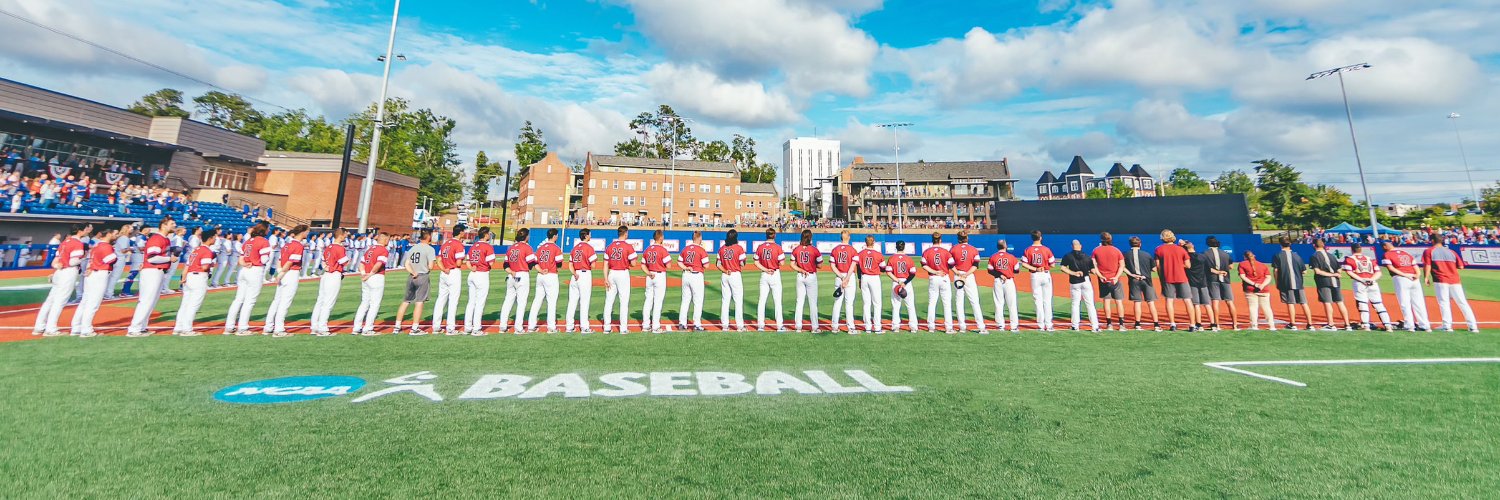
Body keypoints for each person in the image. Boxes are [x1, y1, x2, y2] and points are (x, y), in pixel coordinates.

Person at [33, 223, 89, 336]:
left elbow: (56, 260)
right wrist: (84, 257)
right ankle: (51, 328)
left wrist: (57, 266)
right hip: (69, 271)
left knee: (50, 300)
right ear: (80, 231)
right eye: (85, 229)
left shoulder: (64, 242)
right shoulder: (77, 243)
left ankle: (39, 326)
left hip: (59, 271)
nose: (86, 231)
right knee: (60, 301)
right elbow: (73, 261)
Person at [126, 217, 176, 337]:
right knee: (146, 300)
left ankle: (142, 327)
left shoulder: (165, 239)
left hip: (157, 271)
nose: (174, 225)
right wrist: (169, 258)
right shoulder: (157, 238)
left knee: (151, 301)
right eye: (172, 223)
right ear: (163, 225)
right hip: (152, 271)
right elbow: (152, 257)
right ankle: (134, 329)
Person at [225, 223, 272, 335]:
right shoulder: (264, 241)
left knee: (238, 299)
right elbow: (264, 260)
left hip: (244, 270)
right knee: (250, 300)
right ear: (264, 230)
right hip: (255, 270)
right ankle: (242, 327)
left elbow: (241, 259)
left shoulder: (248, 241)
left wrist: (246, 264)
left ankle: (229, 326)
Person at [1422, 238, 1478, 332]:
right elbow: (1461, 266)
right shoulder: (1451, 251)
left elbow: (1427, 265)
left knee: (1444, 302)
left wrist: (1426, 277)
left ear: (1432, 241)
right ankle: (1473, 326)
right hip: (1455, 280)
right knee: (1462, 302)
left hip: (1440, 279)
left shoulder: (1429, 251)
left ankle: (1447, 326)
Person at [262, 225, 309, 337]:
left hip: (284, 272)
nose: (307, 234)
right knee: (285, 302)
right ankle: (279, 329)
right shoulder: (298, 245)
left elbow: (280, 260)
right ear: (302, 232)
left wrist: (279, 272)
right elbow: (290, 262)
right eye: (306, 232)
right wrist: (281, 274)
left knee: (277, 300)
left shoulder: (287, 244)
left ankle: (268, 327)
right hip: (290, 273)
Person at [72, 226, 118, 337]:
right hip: (99, 274)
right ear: (108, 234)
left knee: (85, 301)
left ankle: (76, 326)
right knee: (93, 303)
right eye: (115, 234)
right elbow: (111, 260)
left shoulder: (97, 245)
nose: (116, 236)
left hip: (92, 273)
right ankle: (86, 330)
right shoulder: (106, 246)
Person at [172, 228, 218, 336]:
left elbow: (187, 266)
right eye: (214, 237)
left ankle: (178, 327)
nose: (216, 239)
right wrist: (211, 264)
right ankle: (187, 329)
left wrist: (183, 278)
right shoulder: (207, 251)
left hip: (189, 277)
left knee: (185, 304)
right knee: (193, 305)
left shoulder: (196, 250)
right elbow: (205, 266)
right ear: (210, 238)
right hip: (198, 278)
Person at [1341, 242, 1394, 331]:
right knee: (1378, 304)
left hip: (1360, 283)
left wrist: (1362, 280)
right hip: (1373, 283)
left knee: (1362, 304)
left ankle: (1366, 325)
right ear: (1361, 249)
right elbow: (1378, 272)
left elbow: (1349, 272)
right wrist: (1372, 279)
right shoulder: (1370, 259)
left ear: (1352, 249)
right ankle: (1388, 325)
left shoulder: (1349, 259)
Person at [1381, 242, 1430, 332]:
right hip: (1414, 278)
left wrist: (1405, 275)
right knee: (1419, 303)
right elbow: (1415, 266)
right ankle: (1425, 325)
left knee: (1405, 303)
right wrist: (1417, 275)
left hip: (1401, 278)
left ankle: (1410, 325)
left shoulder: (1387, 254)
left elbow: (1391, 268)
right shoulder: (1406, 253)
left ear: (1385, 246)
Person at [525, 228, 565, 333]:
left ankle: (531, 326)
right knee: (551, 302)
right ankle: (551, 327)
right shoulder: (556, 248)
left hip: (541, 275)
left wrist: (542, 270)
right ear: (555, 236)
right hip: (551, 275)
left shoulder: (540, 248)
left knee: (537, 300)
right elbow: (559, 263)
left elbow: (534, 262)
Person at [310, 229, 348, 336]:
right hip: (334, 274)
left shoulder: (328, 247)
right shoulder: (340, 248)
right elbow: (344, 262)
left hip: (326, 274)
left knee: (320, 301)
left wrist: (327, 266)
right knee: (328, 302)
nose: (345, 237)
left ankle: (314, 326)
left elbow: (323, 261)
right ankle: (322, 328)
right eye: (344, 235)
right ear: (340, 236)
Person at [352, 232, 391, 336]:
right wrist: (370, 274)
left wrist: (364, 274)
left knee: (364, 303)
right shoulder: (383, 250)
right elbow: (379, 264)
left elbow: (361, 263)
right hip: (376, 277)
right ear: (385, 240)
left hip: (366, 277)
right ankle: (368, 328)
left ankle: (356, 327)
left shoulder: (370, 249)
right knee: (374, 304)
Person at [1154, 230, 1193, 331]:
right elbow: (1188, 265)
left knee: (1169, 300)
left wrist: (1161, 276)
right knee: (1187, 300)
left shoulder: (1159, 249)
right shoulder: (1181, 250)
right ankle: (1192, 325)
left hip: (1167, 277)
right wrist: (1179, 266)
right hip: (1181, 277)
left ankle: (1172, 324)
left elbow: (1158, 266)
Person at [1271, 237, 1313, 330]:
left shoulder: (1277, 255)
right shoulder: (1297, 255)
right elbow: (1304, 271)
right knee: (1304, 303)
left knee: (1290, 303)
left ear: (1280, 244)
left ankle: (1293, 324)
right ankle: (1310, 324)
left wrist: (1277, 282)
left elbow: (1276, 270)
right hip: (1298, 283)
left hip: (1285, 282)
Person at [431, 226, 467, 335]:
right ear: (460, 232)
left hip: (444, 272)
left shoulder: (445, 244)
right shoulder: (458, 244)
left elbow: (439, 260)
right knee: (453, 300)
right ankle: (450, 328)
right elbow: (459, 263)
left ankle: (436, 326)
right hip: (453, 272)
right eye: (463, 232)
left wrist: (443, 269)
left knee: (441, 299)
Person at [1310, 239, 1352, 330]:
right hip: (1336, 281)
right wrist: (1336, 274)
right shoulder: (1331, 255)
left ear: (1314, 245)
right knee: (1340, 302)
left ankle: (1331, 324)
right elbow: (1339, 268)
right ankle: (1347, 324)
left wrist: (1332, 274)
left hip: (1324, 281)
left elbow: (1317, 271)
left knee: (1327, 302)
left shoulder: (1314, 256)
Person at [461, 228, 497, 335]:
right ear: (485, 235)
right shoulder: (487, 246)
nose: (489, 235)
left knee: (471, 301)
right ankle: (476, 328)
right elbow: (491, 263)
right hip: (482, 274)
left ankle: (467, 327)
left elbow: (467, 262)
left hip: (472, 274)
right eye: (489, 234)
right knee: (480, 303)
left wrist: (472, 267)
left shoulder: (473, 246)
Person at [601, 226, 635, 333]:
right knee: (624, 301)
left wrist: (606, 278)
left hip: (612, 273)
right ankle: (623, 328)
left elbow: (605, 264)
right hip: (623, 274)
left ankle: (607, 327)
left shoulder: (610, 246)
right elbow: (633, 263)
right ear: (625, 234)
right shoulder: (628, 246)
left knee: (609, 301)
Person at [1123, 236, 1160, 331]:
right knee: (1151, 302)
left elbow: (1122, 267)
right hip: (1147, 280)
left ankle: (1137, 324)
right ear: (1140, 244)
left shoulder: (1126, 254)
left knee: (1137, 302)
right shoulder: (1147, 255)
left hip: (1134, 280)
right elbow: (1154, 269)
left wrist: (1131, 274)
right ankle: (1156, 325)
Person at [950, 231, 985, 333]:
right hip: (969, 275)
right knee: (974, 301)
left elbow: (950, 264)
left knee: (959, 301)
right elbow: (976, 265)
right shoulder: (973, 249)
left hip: (958, 275)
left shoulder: (953, 249)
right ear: (967, 238)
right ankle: (981, 326)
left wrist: (958, 273)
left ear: (958, 239)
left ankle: (962, 327)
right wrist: (966, 274)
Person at [1021, 231, 1056, 331]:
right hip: (1045, 274)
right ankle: (1049, 325)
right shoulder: (1046, 249)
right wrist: (1044, 266)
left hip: (1035, 275)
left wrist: (1035, 268)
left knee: (1038, 300)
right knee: (1047, 300)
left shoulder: (1028, 249)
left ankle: (1041, 325)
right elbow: (1053, 264)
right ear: (1040, 238)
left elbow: (1024, 264)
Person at [1091, 232, 1126, 331]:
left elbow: (1094, 265)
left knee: (1106, 301)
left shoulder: (1096, 250)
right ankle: (1121, 325)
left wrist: (1100, 276)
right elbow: (1122, 265)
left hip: (1104, 280)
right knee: (1119, 302)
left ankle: (1109, 324)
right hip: (1115, 280)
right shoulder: (1116, 250)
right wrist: (1116, 277)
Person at [1060, 239, 1098, 331]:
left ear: (1072, 246)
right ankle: (1095, 326)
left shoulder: (1068, 256)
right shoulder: (1087, 257)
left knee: (1075, 303)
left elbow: (1063, 268)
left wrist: (1073, 273)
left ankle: (1075, 325)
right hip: (1086, 281)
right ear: (1080, 246)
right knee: (1090, 304)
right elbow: (1093, 271)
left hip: (1075, 281)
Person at [562, 228, 595, 333]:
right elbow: (593, 265)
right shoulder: (589, 248)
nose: (590, 236)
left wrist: (574, 274)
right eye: (589, 234)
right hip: (584, 275)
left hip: (575, 275)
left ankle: (569, 326)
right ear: (586, 236)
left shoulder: (575, 248)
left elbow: (570, 264)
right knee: (584, 302)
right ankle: (584, 327)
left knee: (572, 302)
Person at [753, 228, 786, 331]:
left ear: (766, 235)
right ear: (774, 235)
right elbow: (782, 263)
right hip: (774, 274)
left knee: (762, 301)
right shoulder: (777, 247)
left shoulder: (760, 247)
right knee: (777, 301)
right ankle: (779, 325)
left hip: (764, 274)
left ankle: (760, 325)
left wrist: (765, 269)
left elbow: (756, 262)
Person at [788, 230, 821, 332]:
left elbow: (792, 264)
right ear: (810, 238)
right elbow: (820, 265)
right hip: (810, 275)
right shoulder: (814, 250)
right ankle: (814, 327)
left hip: (800, 275)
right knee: (812, 302)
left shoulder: (796, 249)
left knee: (799, 301)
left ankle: (798, 326)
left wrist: (801, 269)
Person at [921, 233, 954, 333]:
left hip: (933, 277)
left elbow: (923, 265)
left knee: (932, 302)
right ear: (940, 240)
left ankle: (931, 326)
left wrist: (934, 271)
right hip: (944, 277)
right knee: (947, 303)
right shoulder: (945, 252)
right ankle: (948, 328)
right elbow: (952, 264)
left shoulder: (926, 251)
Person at [678, 231, 710, 332]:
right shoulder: (701, 249)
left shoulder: (686, 248)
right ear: (699, 238)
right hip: (696, 276)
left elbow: (679, 262)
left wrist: (686, 267)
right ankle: (697, 324)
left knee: (685, 300)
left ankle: (682, 323)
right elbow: (706, 265)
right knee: (698, 301)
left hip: (686, 275)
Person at [1203, 237, 1238, 331]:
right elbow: (1231, 266)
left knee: (1215, 301)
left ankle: (1216, 324)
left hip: (1212, 279)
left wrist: (1217, 271)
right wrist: (1223, 270)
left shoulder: (1205, 253)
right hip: (1225, 279)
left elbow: (1205, 267)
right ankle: (1235, 325)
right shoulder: (1225, 254)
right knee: (1230, 302)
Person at [716, 229, 747, 332]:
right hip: (735, 275)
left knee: (725, 300)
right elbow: (742, 263)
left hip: (725, 275)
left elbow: (718, 264)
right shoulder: (739, 248)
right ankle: (740, 326)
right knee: (738, 301)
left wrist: (725, 270)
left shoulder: (722, 249)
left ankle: (725, 325)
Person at [1237, 250, 1276, 331]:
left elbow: (1243, 276)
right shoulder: (1262, 265)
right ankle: (1272, 325)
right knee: (1267, 307)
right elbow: (1268, 277)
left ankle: (1254, 325)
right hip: (1264, 289)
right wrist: (1262, 285)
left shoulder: (1242, 264)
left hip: (1250, 289)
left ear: (1245, 257)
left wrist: (1254, 284)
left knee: (1253, 307)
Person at [828, 230, 858, 333]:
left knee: (837, 302)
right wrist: (847, 278)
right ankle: (851, 327)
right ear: (848, 237)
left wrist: (841, 277)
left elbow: (832, 266)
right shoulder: (853, 250)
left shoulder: (835, 249)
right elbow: (853, 266)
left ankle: (834, 326)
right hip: (849, 277)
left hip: (839, 276)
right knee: (849, 303)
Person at [886, 240, 919, 332]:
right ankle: (913, 327)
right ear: (904, 247)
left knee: (896, 305)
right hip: (907, 283)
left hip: (896, 282)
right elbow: (912, 273)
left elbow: (888, 272)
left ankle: (896, 326)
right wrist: (905, 282)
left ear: (896, 247)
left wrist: (898, 281)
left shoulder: (892, 258)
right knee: (910, 305)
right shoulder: (909, 259)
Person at [856, 235, 886, 334]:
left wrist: (859, 279)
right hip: (874, 278)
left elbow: (858, 268)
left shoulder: (860, 253)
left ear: (865, 242)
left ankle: (867, 326)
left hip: (864, 277)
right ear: (873, 242)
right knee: (877, 303)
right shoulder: (878, 254)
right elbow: (883, 268)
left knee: (866, 303)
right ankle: (877, 327)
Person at [1183, 241, 1212, 332]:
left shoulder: (1186, 258)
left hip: (1192, 282)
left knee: (1196, 305)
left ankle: (1199, 324)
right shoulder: (1202, 256)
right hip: (1203, 282)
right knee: (1207, 304)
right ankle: (1214, 324)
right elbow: (1208, 269)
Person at [106, 223, 134, 299]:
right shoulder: (124, 238)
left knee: (112, 277)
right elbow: (123, 250)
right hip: (120, 258)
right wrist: (131, 249)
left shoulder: (121, 237)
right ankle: (109, 294)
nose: (132, 230)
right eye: (131, 228)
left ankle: (107, 292)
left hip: (117, 257)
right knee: (114, 277)